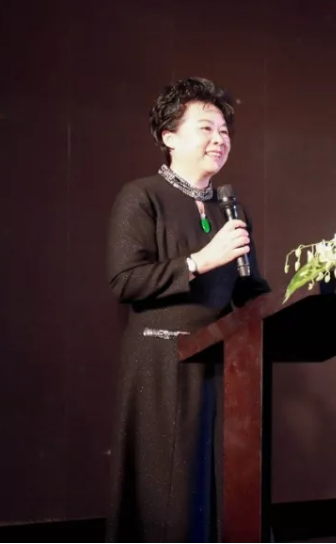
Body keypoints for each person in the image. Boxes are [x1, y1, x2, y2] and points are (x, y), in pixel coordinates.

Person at [104, 77, 270, 542]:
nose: (220, 139)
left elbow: (249, 289)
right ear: (169, 137)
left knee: (217, 486)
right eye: (207, 128)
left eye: (225, 131)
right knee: (169, 492)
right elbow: (125, 281)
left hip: (223, 364)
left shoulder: (231, 208)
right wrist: (199, 261)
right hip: (162, 364)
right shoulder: (141, 197)